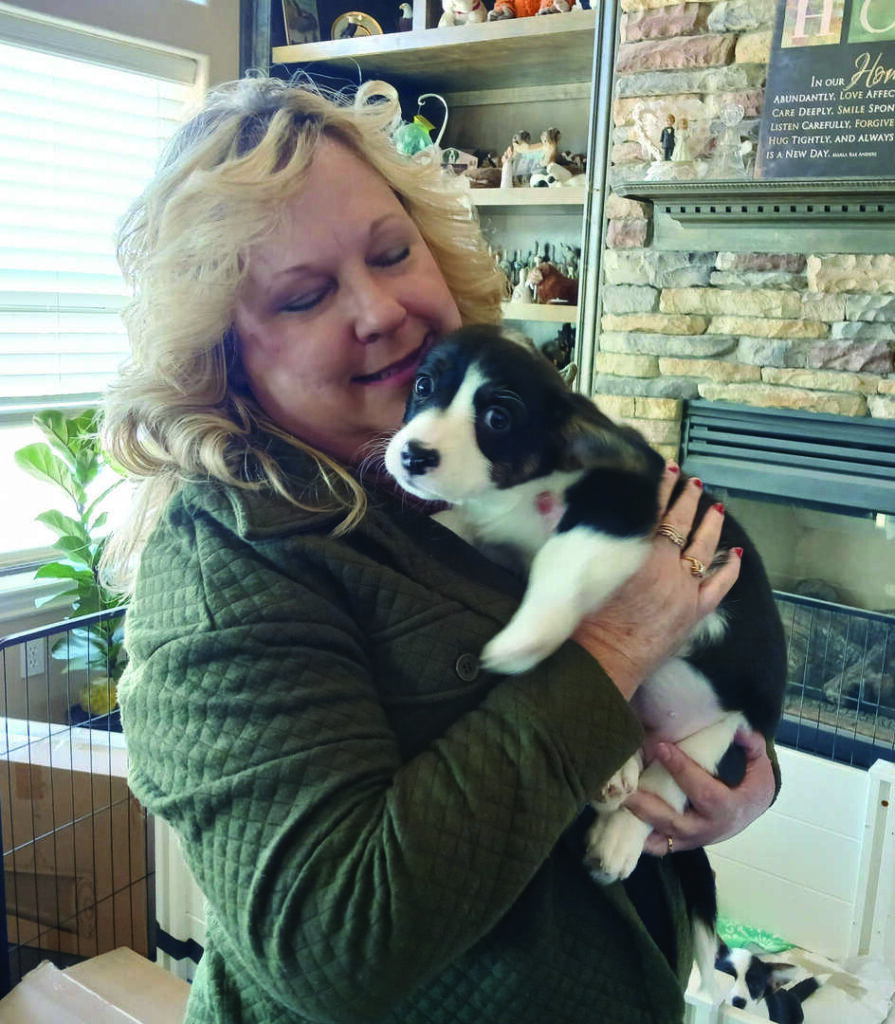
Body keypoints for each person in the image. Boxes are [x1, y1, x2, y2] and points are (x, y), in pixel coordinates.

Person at [103, 76, 778, 1024]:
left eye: (392, 251)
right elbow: (331, 944)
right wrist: (615, 646)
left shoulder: (484, 455)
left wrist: (737, 773)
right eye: (302, 297)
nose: (379, 311)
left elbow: (685, 666)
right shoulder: (229, 567)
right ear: (223, 357)